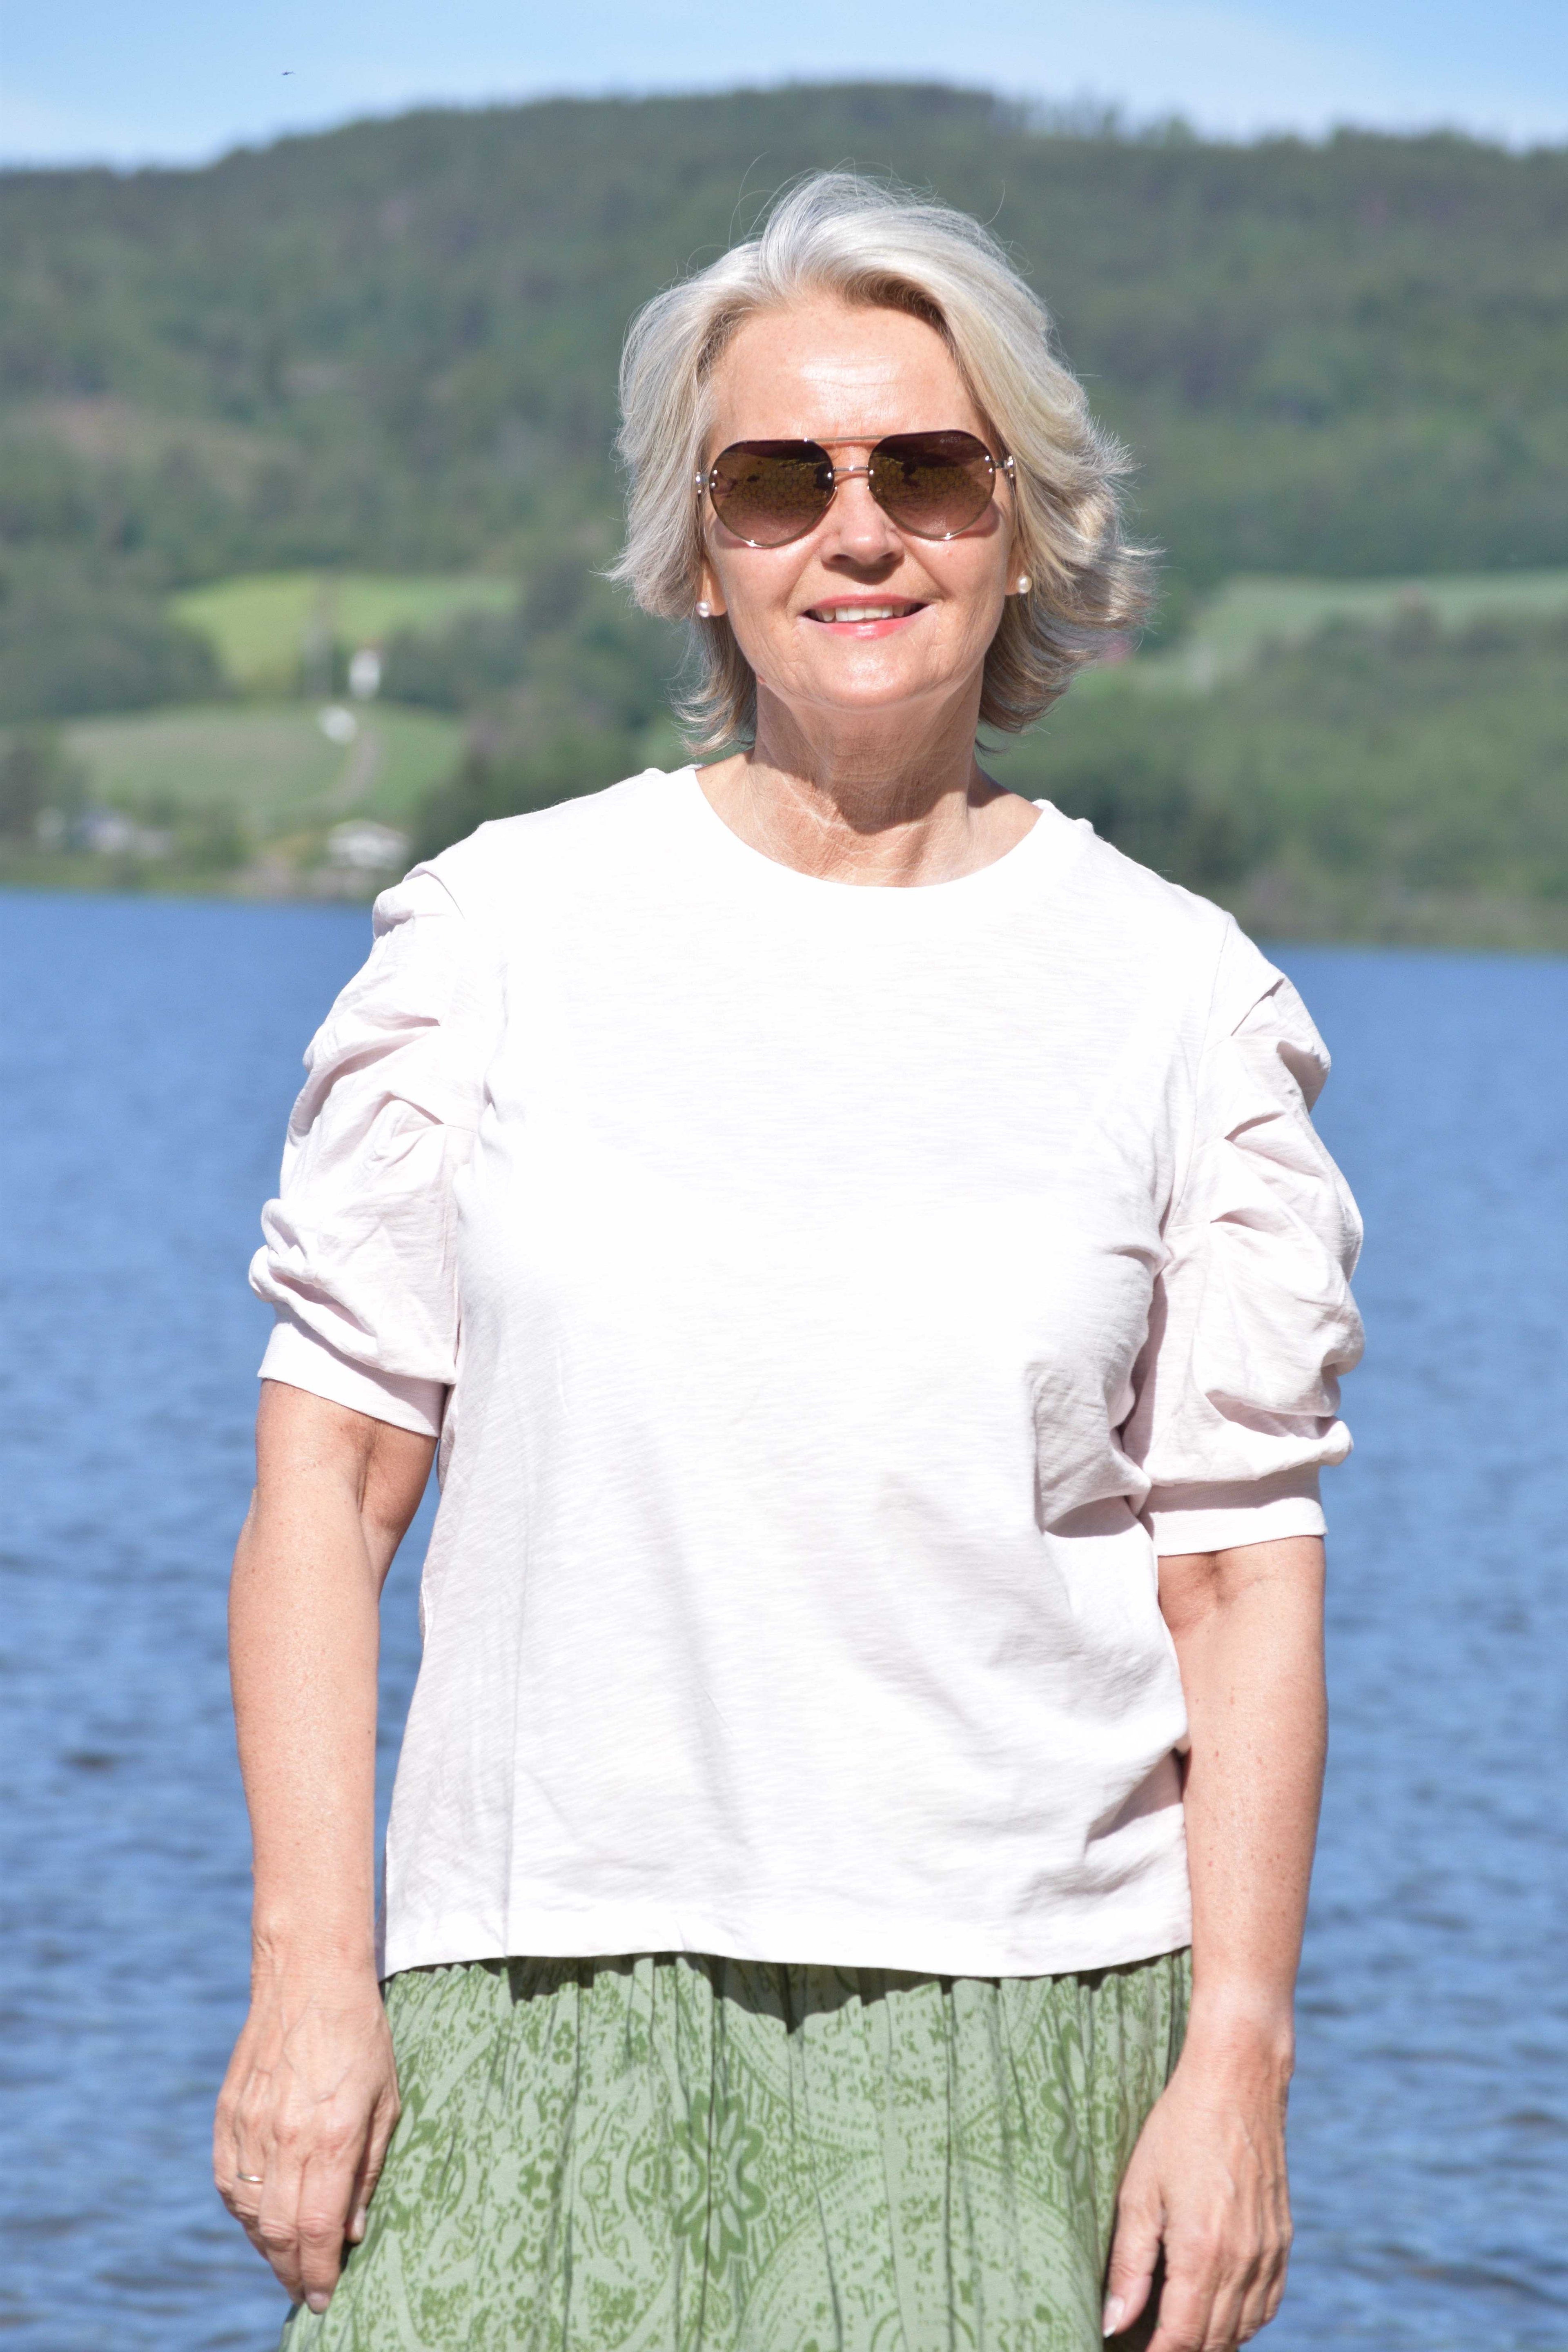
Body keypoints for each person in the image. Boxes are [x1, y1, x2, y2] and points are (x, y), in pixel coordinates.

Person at [215, 173, 1363, 2352]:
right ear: (701, 546)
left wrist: (1237, 2064)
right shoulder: (496, 939)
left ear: (1021, 524)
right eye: (779, 480)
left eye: (926, 472)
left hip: (1013, 2048)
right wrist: (308, 1982)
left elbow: (1237, 1583)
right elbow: (326, 1492)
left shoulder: (1180, 1001)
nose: (858, 533)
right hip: (520, 2009)